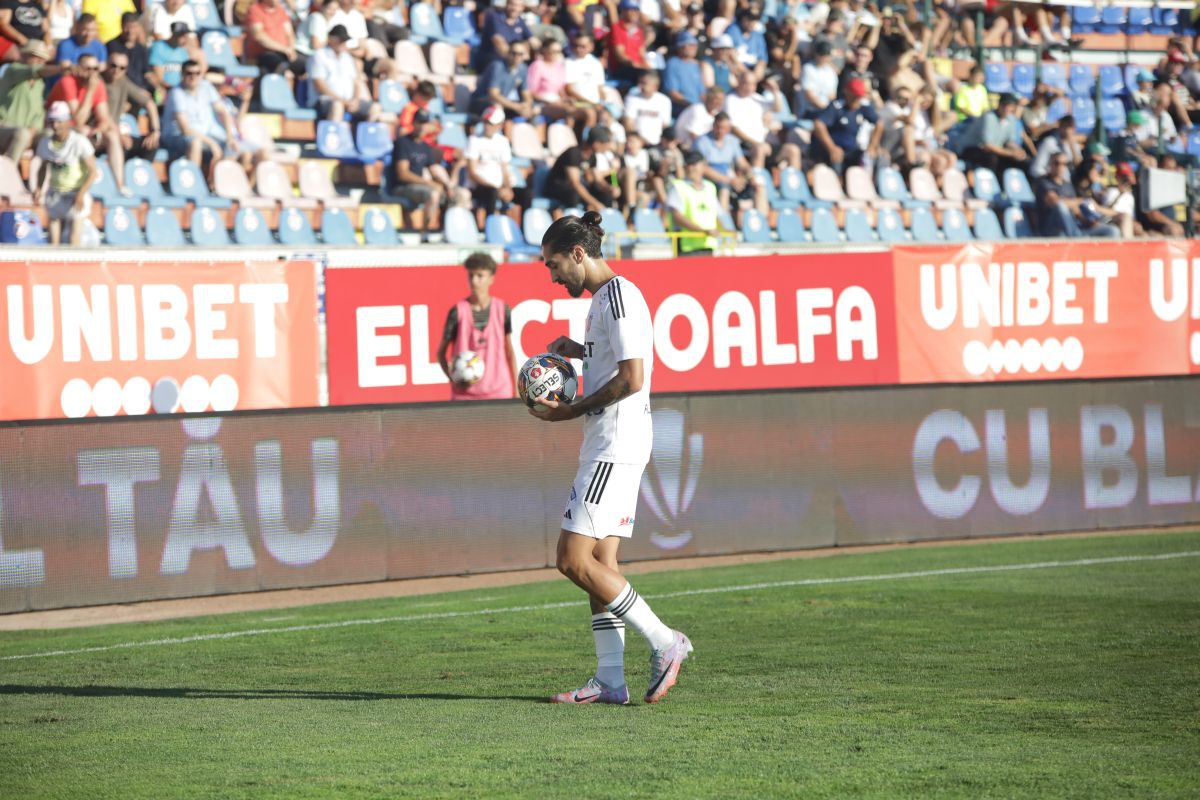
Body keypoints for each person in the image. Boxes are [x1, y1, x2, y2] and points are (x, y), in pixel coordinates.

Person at [534, 211, 693, 706]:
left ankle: (666, 641)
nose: (553, 276)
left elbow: (632, 377)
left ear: (578, 253)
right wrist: (579, 352)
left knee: (570, 558)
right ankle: (610, 679)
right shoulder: (607, 300)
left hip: (614, 443)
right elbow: (614, 359)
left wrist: (567, 413)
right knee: (600, 562)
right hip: (615, 442)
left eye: (554, 264)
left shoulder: (619, 294)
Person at [437, 252, 518, 401]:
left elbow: (509, 352)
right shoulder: (457, 312)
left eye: (480, 276)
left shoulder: (502, 309)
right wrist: (452, 378)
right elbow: (440, 353)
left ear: (491, 279)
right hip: (465, 396)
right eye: (471, 276)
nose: (474, 281)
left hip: (499, 392)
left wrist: (518, 391)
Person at [162, 59, 250, 168]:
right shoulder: (176, 93)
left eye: (197, 73)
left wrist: (230, 138)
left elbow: (223, 112)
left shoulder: (206, 86)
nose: (193, 77)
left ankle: (218, 181)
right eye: (189, 73)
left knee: (234, 148)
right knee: (195, 143)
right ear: (182, 75)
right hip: (176, 136)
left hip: (204, 134)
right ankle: (194, 181)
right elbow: (185, 129)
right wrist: (212, 143)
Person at [34, 101, 99, 246]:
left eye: (59, 121)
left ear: (67, 122)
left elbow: (93, 171)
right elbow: (43, 168)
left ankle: (72, 268)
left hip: (74, 194)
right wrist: (39, 188)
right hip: (55, 193)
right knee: (53, 241)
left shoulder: (79, 142)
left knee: (74, 238)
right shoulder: (45, 143)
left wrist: (81, 194)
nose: (55, 126)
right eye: (52, 121)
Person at [391, 109, 456, 238]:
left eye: (425, 123)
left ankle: (446, 231)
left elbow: (434, 169)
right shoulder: (403, 143)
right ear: (413, 123)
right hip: (402, 186)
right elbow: (403, 174)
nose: (422, 126)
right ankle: (424, 234)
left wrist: (447, 185)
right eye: (419, 122)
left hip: (421, 185)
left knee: (454, 195)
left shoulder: (426, 147)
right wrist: (429, 183)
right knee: (433, 194)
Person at [1033, 153, 1119, 238]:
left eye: (1065, 164)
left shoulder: (1067, 185)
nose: (1060, 167)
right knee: (1060, 206)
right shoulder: (1043, 182)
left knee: (1112, 231)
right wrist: (1080, 201)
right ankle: (1075, 239)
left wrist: (1089, 222)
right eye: (1057, 163)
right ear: (1050, 164)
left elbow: (1076, 210)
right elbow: (1054, 201)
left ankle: (1077, 238)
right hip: (1051, 230)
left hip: (1074, 228)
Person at [0, 41, 61, 159]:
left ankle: (42, 175)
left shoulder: (40, 84)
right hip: (3, 126)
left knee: (49, 136)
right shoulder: (13, 70)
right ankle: (10, 173)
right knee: (22, 134)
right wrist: (61, 68)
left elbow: (38, 113)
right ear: (24, 55)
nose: (39, 61)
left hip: (26, 130)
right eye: (35, 56)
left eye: (42, 58)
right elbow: (35, 71)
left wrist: (33, 131)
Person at [811, 77, 881, 174]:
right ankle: (837, 184)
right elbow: (819, 124)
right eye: (854, 96)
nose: (856, 100)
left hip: (852, 149)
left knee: (878, 157)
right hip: (832, 149)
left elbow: (879, 123)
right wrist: (831, 147)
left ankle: (874, 184)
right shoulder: (837, 106)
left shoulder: (863, 106)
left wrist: (873, 146)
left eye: (859, 97)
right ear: (847, 93)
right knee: (836, 158)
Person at [309, 24, 378, 121]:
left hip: (347, 101)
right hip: (324, 101)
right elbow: (319, 85)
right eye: (340, 40)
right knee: (337, 106)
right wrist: (342, 101)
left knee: (375, 108)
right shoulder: (319, 55)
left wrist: (355, 100)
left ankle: (369, 135)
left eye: (344, 40)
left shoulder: (347, 58)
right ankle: (335, 135)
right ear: (330, 39)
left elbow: (356, 83)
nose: (343, 43)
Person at [103, 50, 161, 160]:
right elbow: (102, 117)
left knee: (150, 145)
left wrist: (155, 131)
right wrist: (119, 135)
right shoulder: (99, 82)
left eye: (122, 68)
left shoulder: (123, 81)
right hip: (103, 134)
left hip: (116, 133)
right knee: (118, 143)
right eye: (113, 66)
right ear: (106, 64)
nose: (117, 70)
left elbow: (149, 103)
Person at [545, 125, 617, 212]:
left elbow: (593, 179)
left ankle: (604, 221)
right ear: (596, 144)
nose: (607, 147)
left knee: (605, 195)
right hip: (558, 188)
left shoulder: (592, 156)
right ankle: (571, 221)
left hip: (575, 188)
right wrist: (595, 203)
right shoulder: (573, 153)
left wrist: (609, 188)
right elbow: (574, 183)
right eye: (605, 144)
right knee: (574, 194)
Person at [465, 105, 516, 227]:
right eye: (486, 122)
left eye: (491, 123)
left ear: (499, 125)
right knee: (492, 193)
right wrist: (497, 188)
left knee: (526, 194)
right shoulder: (474, 140)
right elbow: (472, 172)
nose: (487, 126)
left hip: (497, 186)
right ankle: (490, 228)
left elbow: (505, 168)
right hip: (479, 186)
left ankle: (523, 231)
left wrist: (507, 188)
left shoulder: (502, 142)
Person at [669, 149, 725, 256]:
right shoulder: (678, 187)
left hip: (708, 244)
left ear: (703, 166)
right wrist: (703, 231)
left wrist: (724, 231)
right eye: (689, 164)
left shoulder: (710, 187)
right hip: (686, 246)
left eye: (695, 163)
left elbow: (716, 214)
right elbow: (677, 217)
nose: (692, 168)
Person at [959, 92, 1026, 175]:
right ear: (999, 105)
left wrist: (1018, 151)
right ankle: (989, 184)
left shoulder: (1011, 119)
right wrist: (1010, 153)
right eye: (1005, 105)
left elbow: (1009, 141)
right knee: (992, 158)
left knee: (1023, 161)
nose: (1007, 108)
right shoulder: (989, 117)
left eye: (1010, 106)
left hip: (993, 149)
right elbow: (988, 145)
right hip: (971, 148)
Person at [469, 38, 533, 119]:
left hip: (502, 102)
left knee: (533, 110)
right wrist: (516, 107)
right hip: (481, 102)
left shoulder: (523, 68)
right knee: (497, 108)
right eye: (514, 53)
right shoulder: (497, 66)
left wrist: (527, 104)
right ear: (508, 53)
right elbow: (493, 94)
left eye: (520, 54)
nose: (517, 57)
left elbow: (526, 92)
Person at [623, 70, 672, 147]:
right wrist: (642, 140)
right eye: (640, 82)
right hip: (637, 144)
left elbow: (665, 125)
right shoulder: (632, 99)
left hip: (658, 144)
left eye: (644, 83)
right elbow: (628, 124)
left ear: (655, 86)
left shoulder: (664, 101)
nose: (640, 86)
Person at [662, 31, 705, 114]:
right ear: (681, 47)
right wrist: (691, 106)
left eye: (695, 45)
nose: (695, 48)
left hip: (696, 110)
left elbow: (702, 92)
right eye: (691, 45)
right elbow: (672, 92)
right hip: (680, 110)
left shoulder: (695, 65)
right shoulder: (672, 64)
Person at [107, 12, 150, 91]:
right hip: (121, 89)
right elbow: (118, 75)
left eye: (134, 27)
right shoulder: (112, 46)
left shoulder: (141, 49)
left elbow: (147, 74)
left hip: (142, 89)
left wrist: (157, 88)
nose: (130, 31)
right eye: (127, 27)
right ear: (121, 26)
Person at [148, 21, 195, 90]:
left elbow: (186, 74)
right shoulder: (158, 47)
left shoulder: (183, 51)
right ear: (174, 34)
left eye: (186, 34)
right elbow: (158, 77)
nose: (185, 37)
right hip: (162, 89)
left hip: (180, 90)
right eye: (182, 34)